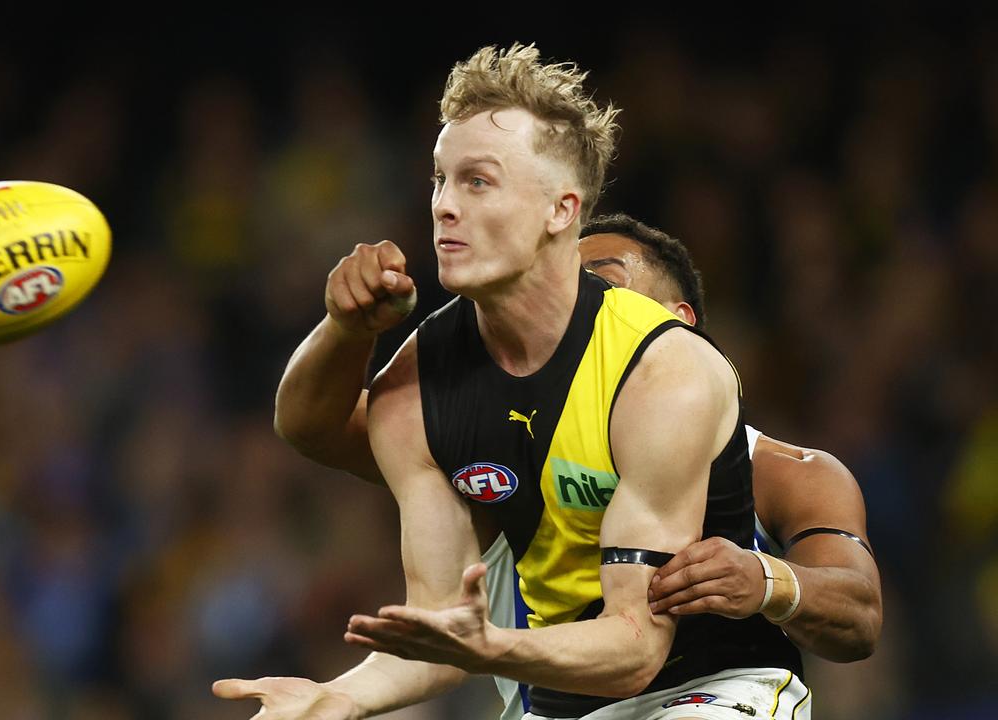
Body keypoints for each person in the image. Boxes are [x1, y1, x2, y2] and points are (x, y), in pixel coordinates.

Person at [218, 44, 807, 719]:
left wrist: (490, 648)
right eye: (439, 180)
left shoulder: (660, 371)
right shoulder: (416, 385)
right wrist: (335, 698)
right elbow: (439, 626)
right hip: (558, 701)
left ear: (560, 210)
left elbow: (637, 644)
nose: (443, 206)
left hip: (708, 689)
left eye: (477, 181)